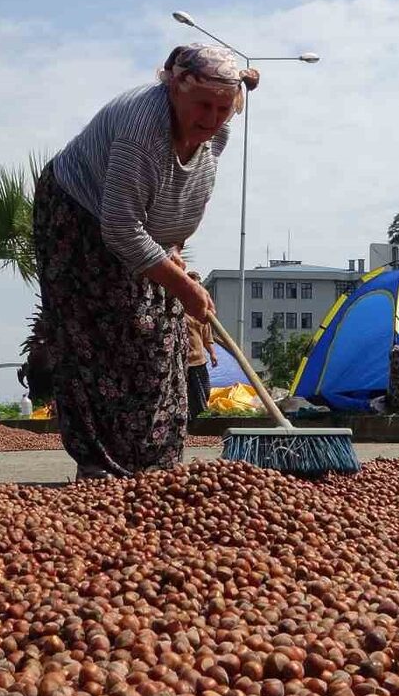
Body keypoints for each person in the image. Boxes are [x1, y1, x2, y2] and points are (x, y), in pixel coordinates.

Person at [33, 44, 260, 480]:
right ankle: (104, 467)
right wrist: (185, 285)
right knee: (108, 335)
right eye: (203, 106)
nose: (212, 118)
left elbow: (175, 183)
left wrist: (171, 254)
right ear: (174, 89)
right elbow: (120, 227)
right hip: (79, 218)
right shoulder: (142, 130)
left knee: (166, 334)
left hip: (144, 229)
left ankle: (157, 466)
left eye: (223, 108)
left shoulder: (218, 125)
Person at [184, 271, 220, 420]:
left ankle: (199, 417)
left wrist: (212, 353)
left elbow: (207, 337)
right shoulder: (180, 311)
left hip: (199, 360)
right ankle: (192, 420)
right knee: (188, 392)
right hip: (185, 361)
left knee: (204, 391)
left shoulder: (200, 314)